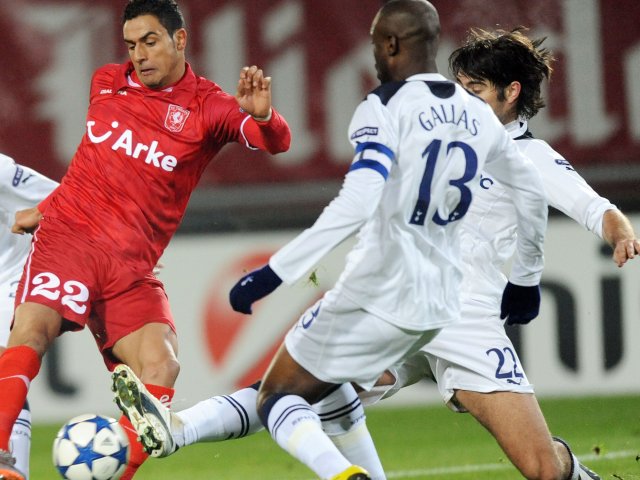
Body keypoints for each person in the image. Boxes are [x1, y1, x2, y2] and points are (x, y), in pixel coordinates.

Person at [114, 1, 549, 479]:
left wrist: (270, 275)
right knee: (330, 388)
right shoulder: (476, 114)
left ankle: (337, 474)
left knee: (280, 394)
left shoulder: (383, 107)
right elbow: (529, 190)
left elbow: (354, 205)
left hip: (380, 289)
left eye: (374, 43)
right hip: (443, 301)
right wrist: (525, 282)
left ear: (391, 45)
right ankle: (180, 430)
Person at [0, 0, 291, 478]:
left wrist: (264, 119)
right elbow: (92, 166)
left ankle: (115, 469)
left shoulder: (210, 108)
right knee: (31, 333)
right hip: (69, 240)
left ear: (180, 39)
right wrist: (47, 211)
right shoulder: (107, 82)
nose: (139, 54)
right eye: (131, 45)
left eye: (150, 41)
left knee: (161, 368)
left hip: (130, 264)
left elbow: (277, 143)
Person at [354, 27, 639, 480]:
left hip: (463, 319)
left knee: (543, 468)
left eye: (476, 89)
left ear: (511, 93)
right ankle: (199, 427)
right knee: (313, 387)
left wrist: (621, 234)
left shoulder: (531, 158)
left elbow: (597, 209)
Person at [0, 154, 58, 479]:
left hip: (8, 277)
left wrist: (118, 243)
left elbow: (70, 198)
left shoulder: (1, 171)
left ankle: (12, 469)